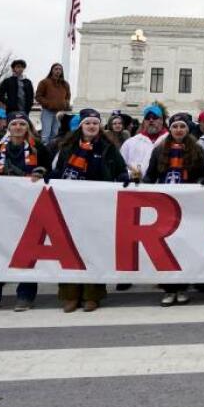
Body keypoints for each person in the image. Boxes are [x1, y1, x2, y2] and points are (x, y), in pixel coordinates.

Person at [49, 108, 129, 312]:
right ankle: (70, 295)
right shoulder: (67, 147)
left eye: (95, 123)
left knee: (93, 250)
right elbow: (57, 170)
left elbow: (120, 169)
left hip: (97, 205)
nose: (92, 126)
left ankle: (92, 295)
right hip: (71, 205)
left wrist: (123, 178)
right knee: (70, 249)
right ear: (81, 126)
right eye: (88, 123)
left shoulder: (108, 147)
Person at [0, 112, 52, 312]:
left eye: (22, 124)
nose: (18, 127)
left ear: (27, 128)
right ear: (9, 127)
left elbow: (51, 171)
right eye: (14, 124)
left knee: (27, 250)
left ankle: (25, 295)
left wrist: (42, 172)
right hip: (0, 206)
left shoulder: (39, 148)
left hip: (29, 206)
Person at [145, 113, 204, 306]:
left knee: (184, 247)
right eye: (175, 127)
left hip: (187, 205)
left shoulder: (196, 150)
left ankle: (182, 287)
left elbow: (202, 174)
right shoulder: (160, 150)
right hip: (164, 204)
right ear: (170, 129)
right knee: (166, 248)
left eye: (182, 127)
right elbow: (151, 175)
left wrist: (201, 182)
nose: (179, 130)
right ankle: (168, 288)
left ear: (187, 130)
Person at [120, 103, 168, 181]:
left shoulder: (169, 140)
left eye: (154, 117)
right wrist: (132, 175)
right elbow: (121, 166)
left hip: (162, 188)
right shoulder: (131, 142)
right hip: (136, 187)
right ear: (144, 121)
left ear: (161, 120)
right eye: (147, 118)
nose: (151, 120)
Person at [34, 62, 71, 143]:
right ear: (52, 70)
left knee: (55, 134)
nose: (58, 71)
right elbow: (38, 96)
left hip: (59, 113)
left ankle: (51, 152)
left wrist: (66, 103)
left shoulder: (65, 84)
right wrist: (48, 104)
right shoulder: (44, 82)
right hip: (47, 111)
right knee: (45, 135)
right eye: (56, 69)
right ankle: (44, 153)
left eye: (60, 69)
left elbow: (68, 96)